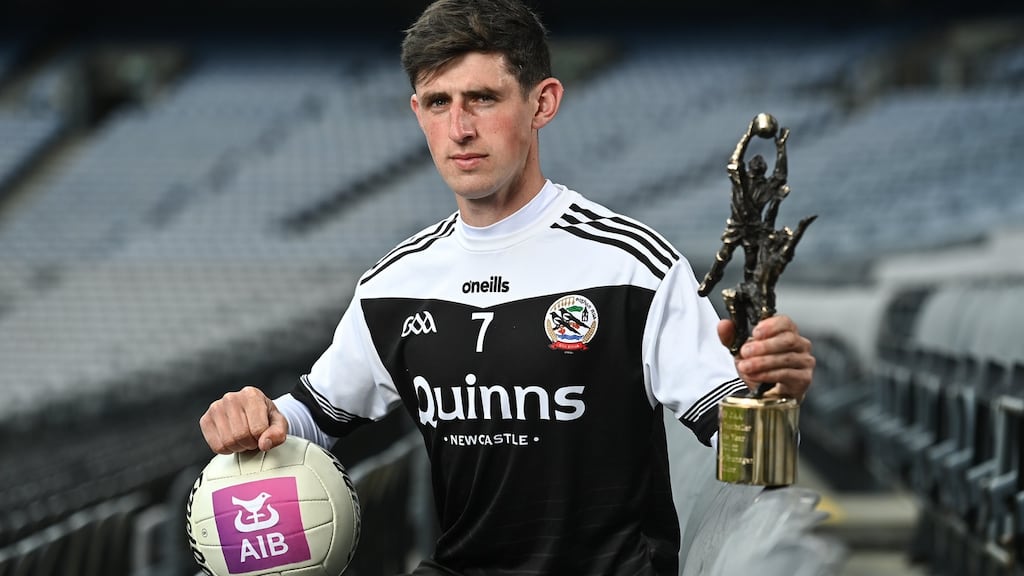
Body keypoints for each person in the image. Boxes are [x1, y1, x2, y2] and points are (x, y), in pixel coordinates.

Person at [199, 1, 816, 574]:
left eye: (482, 98)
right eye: (438, 103)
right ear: (418, 113)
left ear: (542, 103)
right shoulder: (393, 285)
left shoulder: (633, 267)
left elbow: (754, 460)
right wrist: (254, 417)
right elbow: (314, 420)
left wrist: (772, 396)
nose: (459, 128)